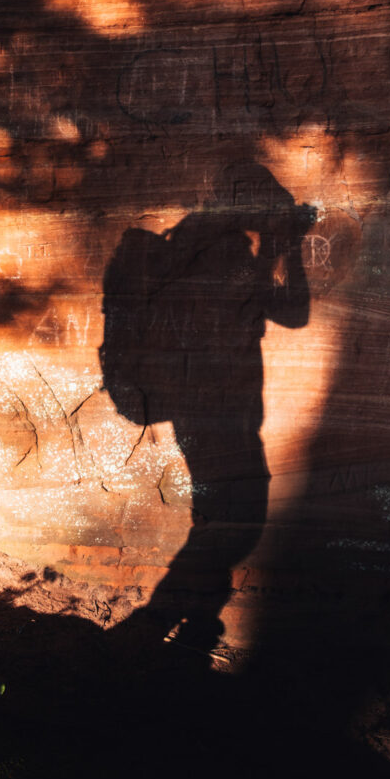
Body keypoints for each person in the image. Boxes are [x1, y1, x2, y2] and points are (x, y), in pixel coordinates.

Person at [101, 162, 313, 651]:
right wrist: (284, 247)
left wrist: (279, 246)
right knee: (238, 516)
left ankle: (195, 613)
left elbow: (274, 309)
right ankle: (151, 623)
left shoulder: (194, 243)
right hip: (214, 408)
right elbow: (284, 309)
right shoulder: (223, 249)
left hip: (201, 407)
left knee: (215, 512)